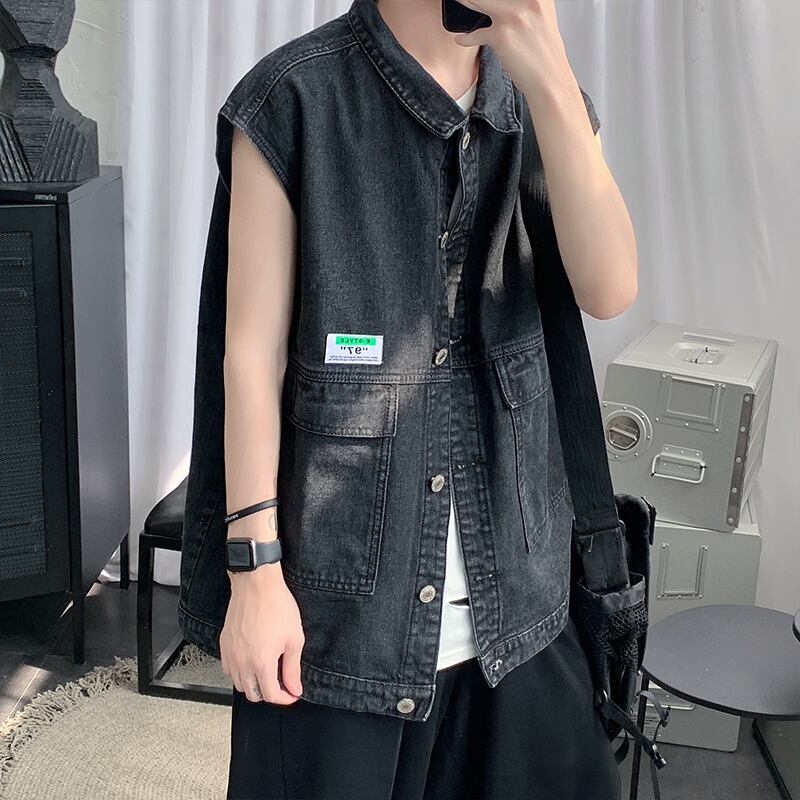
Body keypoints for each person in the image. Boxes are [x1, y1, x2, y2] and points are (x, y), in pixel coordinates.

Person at [178, 0, 638, 798]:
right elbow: (249, 357)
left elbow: (609, 289)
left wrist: (553, 83)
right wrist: (253, 576)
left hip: (523, 619)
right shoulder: (294, 100)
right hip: (337, 636)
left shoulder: (541, 100)